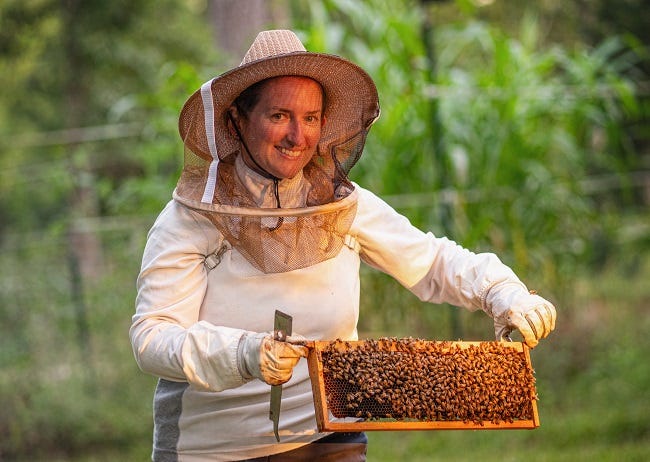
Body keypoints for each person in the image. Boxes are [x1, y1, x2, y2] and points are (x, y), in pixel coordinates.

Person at [130, 29, 556, 461]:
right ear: (237, 119)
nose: (298, 136)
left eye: (311, 118)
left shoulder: (342, 206)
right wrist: (240, 353)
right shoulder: (189, 219)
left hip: (330, 438)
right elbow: (152, 336)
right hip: (214, 448)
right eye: (279, 115)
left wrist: (501, 290)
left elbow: (431, 263)